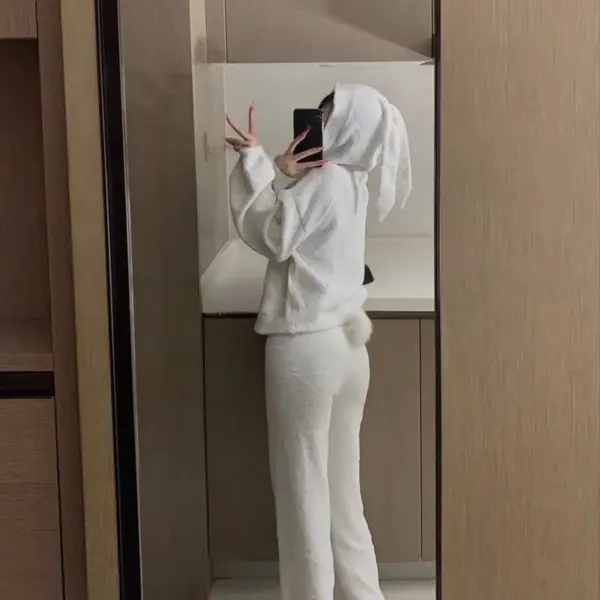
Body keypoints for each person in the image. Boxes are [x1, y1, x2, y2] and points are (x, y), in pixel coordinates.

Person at [225, 83, 411, 600]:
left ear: (347, 129)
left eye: (327, 118)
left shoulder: (322, 182)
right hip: (349, 349)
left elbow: (272, 234)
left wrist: (262, 165)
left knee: (302, 489)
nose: (318, 127)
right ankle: (362, 593)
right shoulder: (354, 183)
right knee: (343, 489)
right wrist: (287, 174)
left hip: (307, 351)